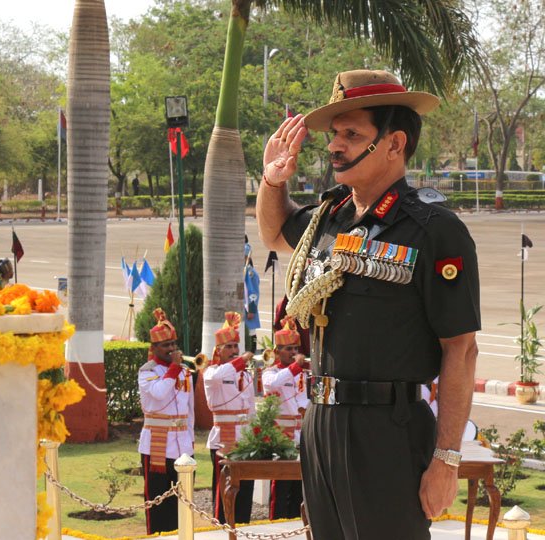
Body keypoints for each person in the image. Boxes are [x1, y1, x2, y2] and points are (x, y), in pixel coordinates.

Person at [255, 69, 480, 540]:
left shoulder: (433, 230)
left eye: (353, 134)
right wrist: (272, 182)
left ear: (395, 144)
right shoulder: (330, 218)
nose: (336, 145)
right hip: (321, 422)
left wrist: (446, 461)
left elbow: (460, 351)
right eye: (335, 134)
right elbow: (276, 233)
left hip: (388, 431)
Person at [138, 308, 195, 534]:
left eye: (173, 344)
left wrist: (190, 443)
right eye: (166, 345)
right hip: (157, 446)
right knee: (158, 504)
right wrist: (173, 368)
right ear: (154, 348)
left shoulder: (184, 371)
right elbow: (160, 392)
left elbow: (189, 412)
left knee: (183, 503)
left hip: (182, 446)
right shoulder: (147, 371)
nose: (172, 349)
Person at [203, 312, 256, 525]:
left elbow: (250, 408)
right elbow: (217, 376)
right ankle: (223, 530)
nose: (235, 351)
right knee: (224, 489)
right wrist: (239, 362)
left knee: (245, 489)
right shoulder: (212, 373)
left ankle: (243, 529)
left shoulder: (246, 375)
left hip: (246, 438)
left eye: (236, 346)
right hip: (223, 439)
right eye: (229, 347)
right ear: (218, 350)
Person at [262, 317, 309, 519]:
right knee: (280, 488)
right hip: (281, 437)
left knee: (299, 488)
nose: (293, 353)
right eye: (288, 349)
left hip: (301, 435)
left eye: (295, 348)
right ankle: (276, 525)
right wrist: (295, 368)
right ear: (277, 352)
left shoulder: (302, 374)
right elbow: (273, 384)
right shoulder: (270, 373)